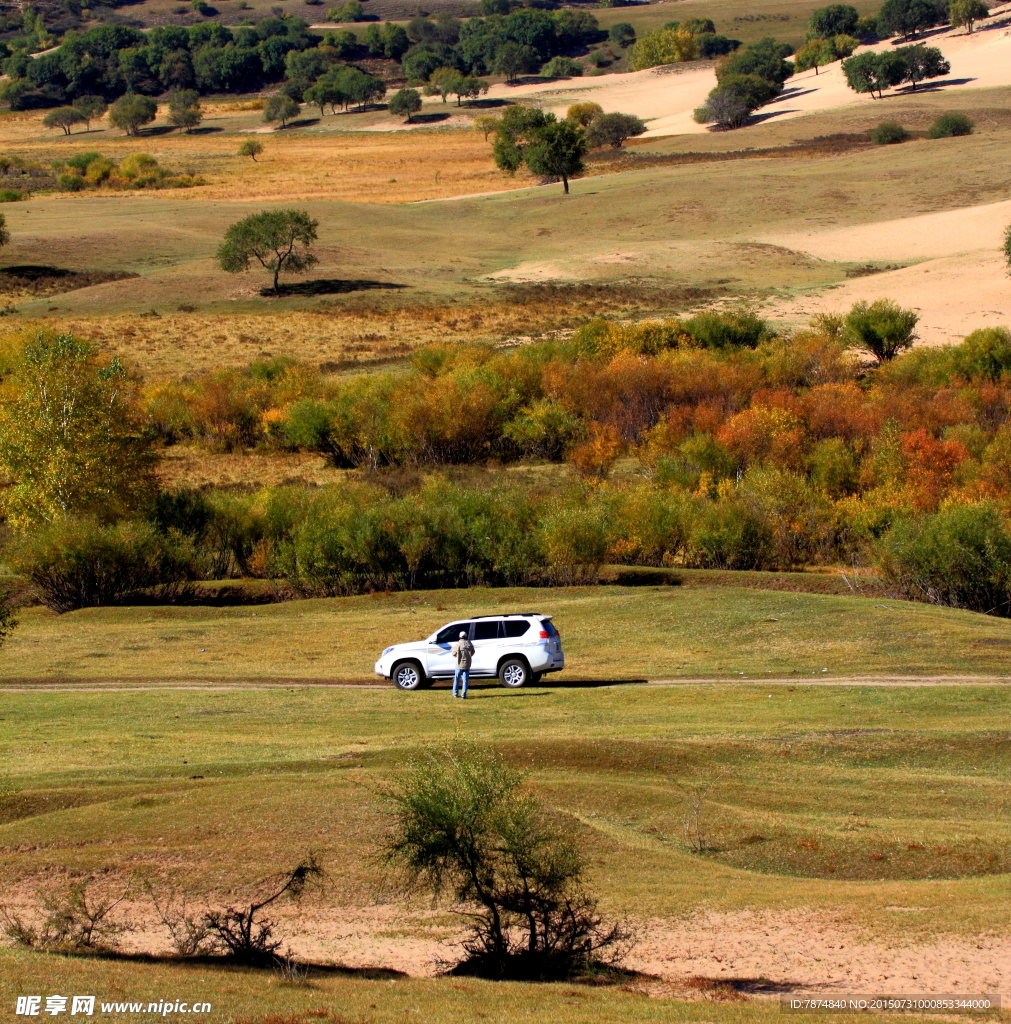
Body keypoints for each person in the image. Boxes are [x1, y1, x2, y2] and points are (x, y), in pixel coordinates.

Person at [450, 630, 474, 699]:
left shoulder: (457, 645)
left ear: (459, 637)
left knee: (456, 680)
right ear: (466, 636)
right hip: (467, 665)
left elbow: (453, 654)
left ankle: (455, 693)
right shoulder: (469, 644)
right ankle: (463, 695)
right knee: (465, 681)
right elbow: (473, 652)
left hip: (459, 664)